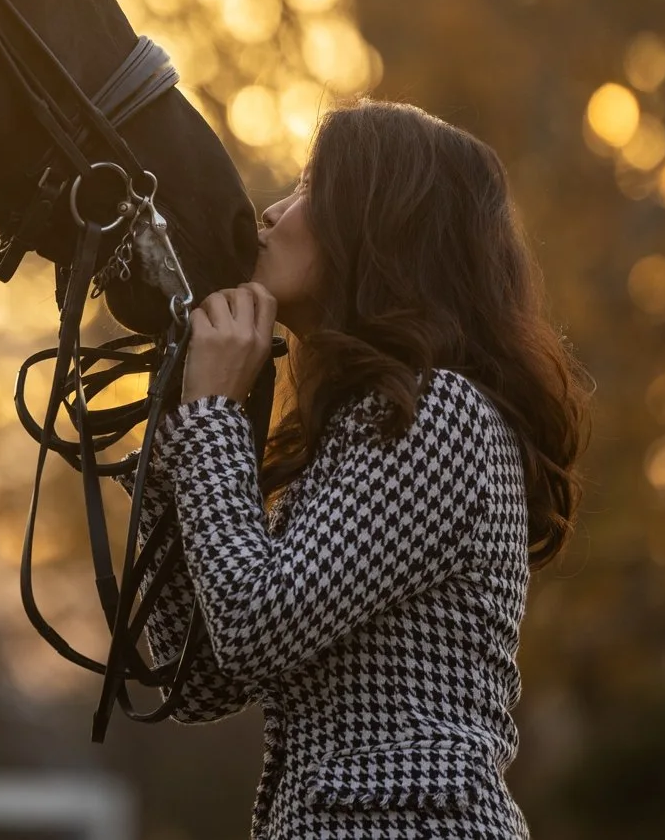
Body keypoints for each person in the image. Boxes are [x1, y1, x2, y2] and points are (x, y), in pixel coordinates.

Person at [131, 99, 588, 839]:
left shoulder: (440, 416)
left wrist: (212, 419)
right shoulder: (355, 432)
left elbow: (252, 624)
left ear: (382, 226)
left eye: (313, 187)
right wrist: (173, 447)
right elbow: (205, 680)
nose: (272, 212)